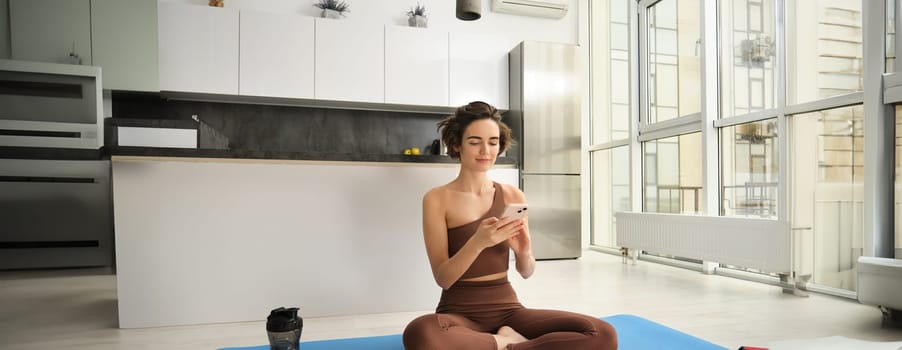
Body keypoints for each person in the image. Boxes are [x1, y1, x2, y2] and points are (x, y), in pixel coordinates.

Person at [402, 101, 618, 350]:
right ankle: (507, 341)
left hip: (508, 311)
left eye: (493, 142)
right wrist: (478, 242)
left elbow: (526, 272)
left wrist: (524, 251)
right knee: (420, 334)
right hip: (458, 313)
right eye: (474, 142)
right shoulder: (436, 199)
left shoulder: (513, 196)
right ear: (456, 144)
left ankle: (505, 345)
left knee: (602, 334)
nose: (486, 150)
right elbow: (443, 278)